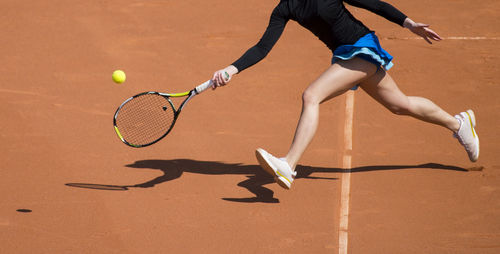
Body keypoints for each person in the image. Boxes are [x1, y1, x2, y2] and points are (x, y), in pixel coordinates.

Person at [211, 0, 480, 190]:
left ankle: (288, 164)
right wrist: (231, 69)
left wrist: (408, 23)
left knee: (311, 95)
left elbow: (373, 3)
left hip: (362, 47)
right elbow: (262, 47)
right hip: (346, 55)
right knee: (400, 105)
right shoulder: (285, 7)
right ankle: (458, 124)